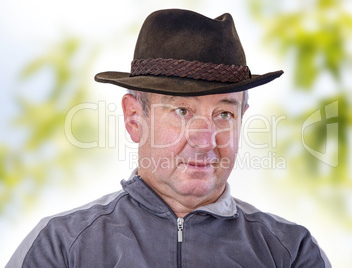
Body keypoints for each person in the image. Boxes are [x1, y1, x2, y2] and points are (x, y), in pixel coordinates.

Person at [7, 9, 331, 267]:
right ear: (135, 119)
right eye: (182, 112)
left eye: (224, 114)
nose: (205, 140)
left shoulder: (291, 253)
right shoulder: (62, 247)